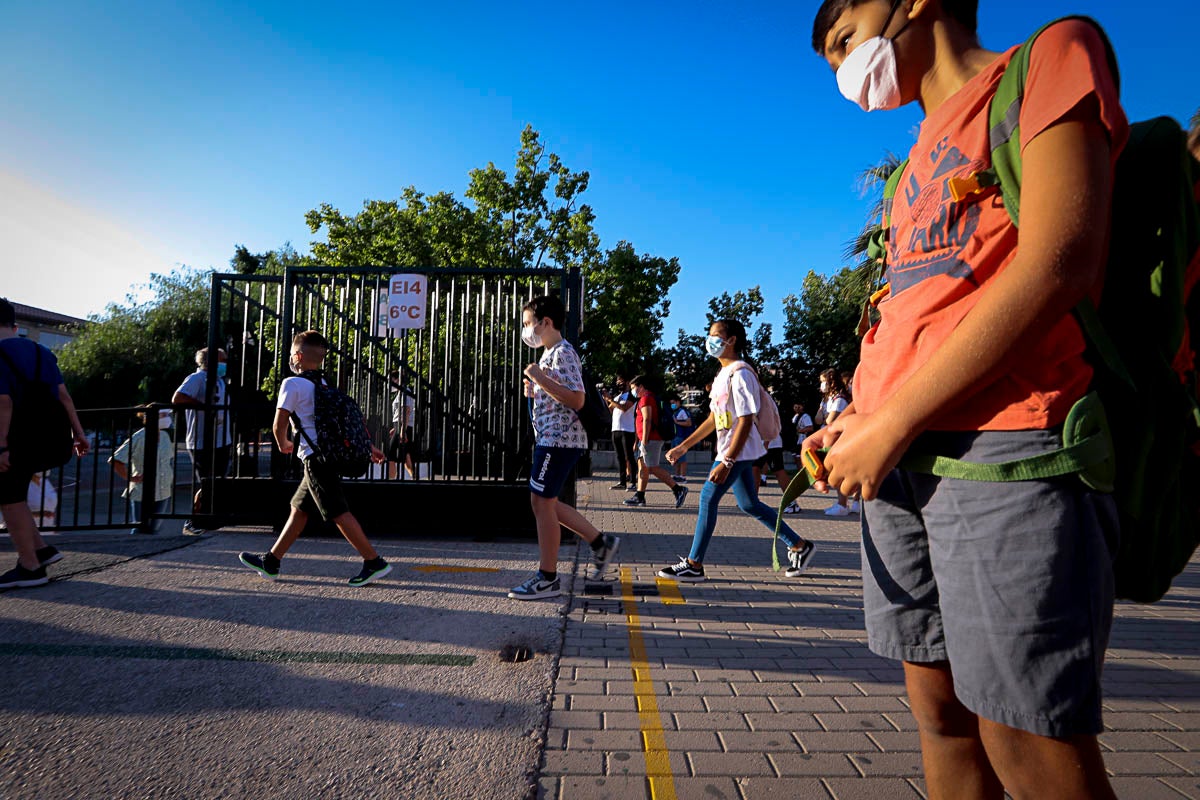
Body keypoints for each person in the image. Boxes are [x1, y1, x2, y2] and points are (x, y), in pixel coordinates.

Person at [810, 2, 1128, 797]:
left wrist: (894, 420)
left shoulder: (1051, 56)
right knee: (942, 719)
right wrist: (856, 417)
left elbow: (1062, 260)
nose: (845, 73)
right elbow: (917, 309)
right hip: (896, 458)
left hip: (1010, 450)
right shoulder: (915, 153)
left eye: (846, 40)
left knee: (1027, 740)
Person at [660, 319, 816, 582]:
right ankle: (799, 545)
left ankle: (694, 564)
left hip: (737, 451)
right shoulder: (722, 375)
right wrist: (684, 446)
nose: (710, 341)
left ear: (731, 340)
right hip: (737, 451)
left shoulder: (741, 374)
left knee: (708, 499)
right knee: (749, 504)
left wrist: (728, 461)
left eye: (716, 336)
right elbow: (713, 418)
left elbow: (745, 420)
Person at [238, 330, 392, 586]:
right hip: (327, 456)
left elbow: (279, 424)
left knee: (338, 511)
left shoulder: (292, 383)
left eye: (290, 355)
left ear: (297, 356)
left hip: (315, 459)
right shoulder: (324, 386)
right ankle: (272, 561)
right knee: (299, 509)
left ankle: (373, 561)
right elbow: (341, 426)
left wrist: (283, 443)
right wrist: (369, 447)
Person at [508, 295, 620, 599]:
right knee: (546, 503)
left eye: (529, 323)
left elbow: (577, 399)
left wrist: (539, 378)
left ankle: (547, 578)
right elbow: (558, 396)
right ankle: (600, 543)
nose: (526, 330)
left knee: (540, 503)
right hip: (551, 439)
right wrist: (535, 389)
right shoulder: (549, 354)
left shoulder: (563, 353)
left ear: (546, 322)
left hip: (559, 441)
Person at [0, 298, 89, 590]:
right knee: (15, 494)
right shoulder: (42, 351)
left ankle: (30, 567)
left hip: (17, 438)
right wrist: (79, 433)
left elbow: (3, 404)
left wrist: (1, 446)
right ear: (14, 324)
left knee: (9, 498)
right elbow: (64, 397)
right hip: (48, 436)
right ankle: (41, 549)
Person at [172, 347, 232, 535]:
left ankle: (208, 518)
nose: (225, 364)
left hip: (222, 439)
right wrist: (202, 407)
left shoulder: (220, 381)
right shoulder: (196, 378)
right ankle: (193, 520)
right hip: (201, 440)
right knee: (207, 482)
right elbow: (178, 398)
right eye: (222, 361)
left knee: (216, 481)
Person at [623, 375, 688, 509]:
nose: (632, 392)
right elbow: (640, 422)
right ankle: (640, 496)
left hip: (651, 438)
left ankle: (678, 489)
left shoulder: (646, 398)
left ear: (641, 387)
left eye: (634, 388)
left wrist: (645, 440)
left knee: (651, 467)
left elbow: (647, 420)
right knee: (643, 467)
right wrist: (639, 440)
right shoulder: (644, 398)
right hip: (646, 439)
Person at [111, 406, 175, 535]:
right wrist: (130, 478)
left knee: (154, 528)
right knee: (140, 527)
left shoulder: (164, 436)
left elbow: (168, 460)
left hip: (163, 490)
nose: (167, 418)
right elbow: (116, 460)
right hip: (141, 491)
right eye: (163, 415)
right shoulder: (139, 437)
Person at [817, 369, 856, 516]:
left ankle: (843, 504)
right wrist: (823, 412)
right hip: (830, 438)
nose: (822, 385)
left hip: (839, 439)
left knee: (840, 471)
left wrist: (824, 413)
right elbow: (818, 419)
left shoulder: (839, 400)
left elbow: (829, 420)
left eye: (823, 381)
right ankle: (842, 502)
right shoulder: (827, 400)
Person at [603, 373, 637, 490]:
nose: (618, 384)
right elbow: (613, 411)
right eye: (617, 382)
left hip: (627, 430)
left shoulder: (631, 396)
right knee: (620, 457)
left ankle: (633, 481)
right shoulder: (618, 396)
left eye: (621, 382)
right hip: (616, 429)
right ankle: (622, 481)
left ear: (627, 382)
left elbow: (624, 408)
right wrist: (608, 400)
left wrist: (610, 399)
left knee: (629, 457)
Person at [386, 380, 417, 480]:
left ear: (397, 380)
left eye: (391, 380)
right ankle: (415, 477)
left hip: (403, 426)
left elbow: (406, 411)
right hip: (400, 426)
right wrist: (395, 428)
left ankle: (390, 479)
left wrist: (403, 430)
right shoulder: (400, 392)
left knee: (390, 453)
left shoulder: (405, 391)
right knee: (405, 455)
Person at [669, 394, 694, 482]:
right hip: (675, 437)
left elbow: (689, 423)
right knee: (676, 457)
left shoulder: (682, 411)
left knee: (682, 457)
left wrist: (677, 422)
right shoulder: (675, 412)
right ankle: (677, 475)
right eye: (671, 403)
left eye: (674, 403)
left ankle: (683, 476)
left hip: (681, 437)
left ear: (678, 402)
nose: (672, 405)